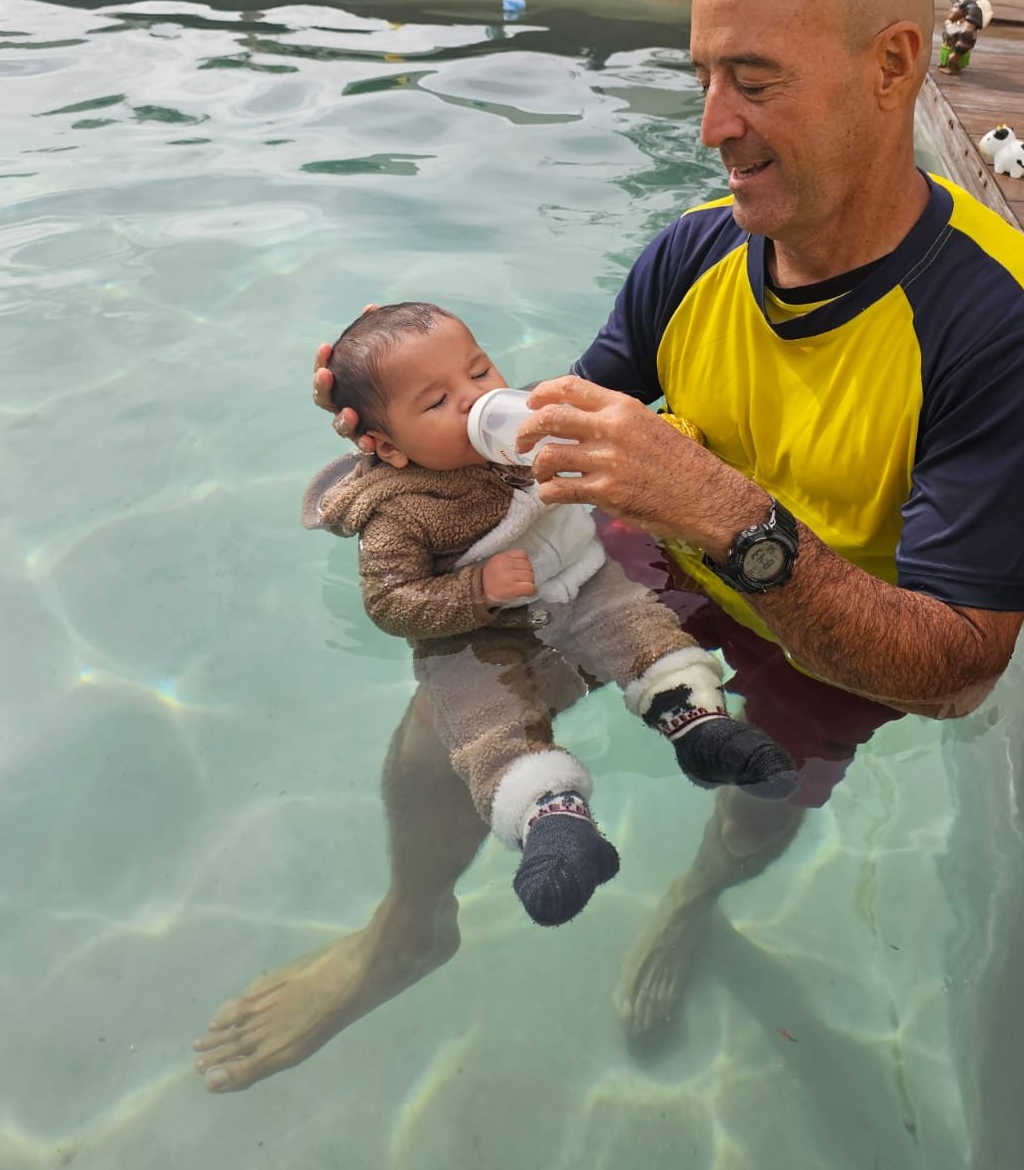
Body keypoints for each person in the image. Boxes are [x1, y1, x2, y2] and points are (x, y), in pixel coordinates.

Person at [193, 0, 1024, 1093]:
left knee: (755, 799)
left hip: (837, 636)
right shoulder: (692, 253)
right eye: (706, 77)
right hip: (647, 550)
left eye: (755, 81)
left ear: (894, 68)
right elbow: (540, 460)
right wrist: (410, 444)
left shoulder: (1009, 332)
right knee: (442, 730)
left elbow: (956, 670)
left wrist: (724, 512)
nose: (714, 125)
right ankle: (408, 924)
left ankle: (697, 903)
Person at [305, 302, 797, 929]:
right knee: (482, 717)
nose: (474, 400)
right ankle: (553, 824)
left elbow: (602, 431)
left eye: (480, 371)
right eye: (435, 403)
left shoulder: (527, 424)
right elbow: (388, 602)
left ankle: (700, 727)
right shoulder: (399, 512)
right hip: (479, 635)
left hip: (586, 580)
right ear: (385, 446)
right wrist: (473, 591)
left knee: (639, 629)